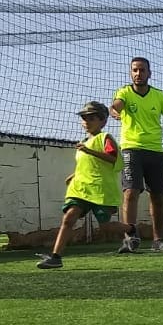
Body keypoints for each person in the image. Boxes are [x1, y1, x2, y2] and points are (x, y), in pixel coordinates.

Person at [110, 56, 163, 253]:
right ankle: (130, 238)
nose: (138, 73)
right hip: (131, 149)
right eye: (135, 70)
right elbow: (116, 105)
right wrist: (113, 110)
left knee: (158, 196)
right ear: (131, 73)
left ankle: (158, 240)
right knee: (130, 192)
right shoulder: (124, 92)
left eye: (142, 70)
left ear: (149, 73)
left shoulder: (159, 96)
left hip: (156, 151)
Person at [38, 101, 122, 269]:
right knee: (69, 218)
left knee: (105, 227)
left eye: (91, 118)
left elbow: (113, 158)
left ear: (103, 121)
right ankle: (56, 257)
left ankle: (131, 230)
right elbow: (88, 165)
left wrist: (89, 151)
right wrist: (75, 175)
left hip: (100, 189)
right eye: (84, 118)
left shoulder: (104, 138)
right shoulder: (83, 142)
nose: (86, 122)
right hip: (81, 188)